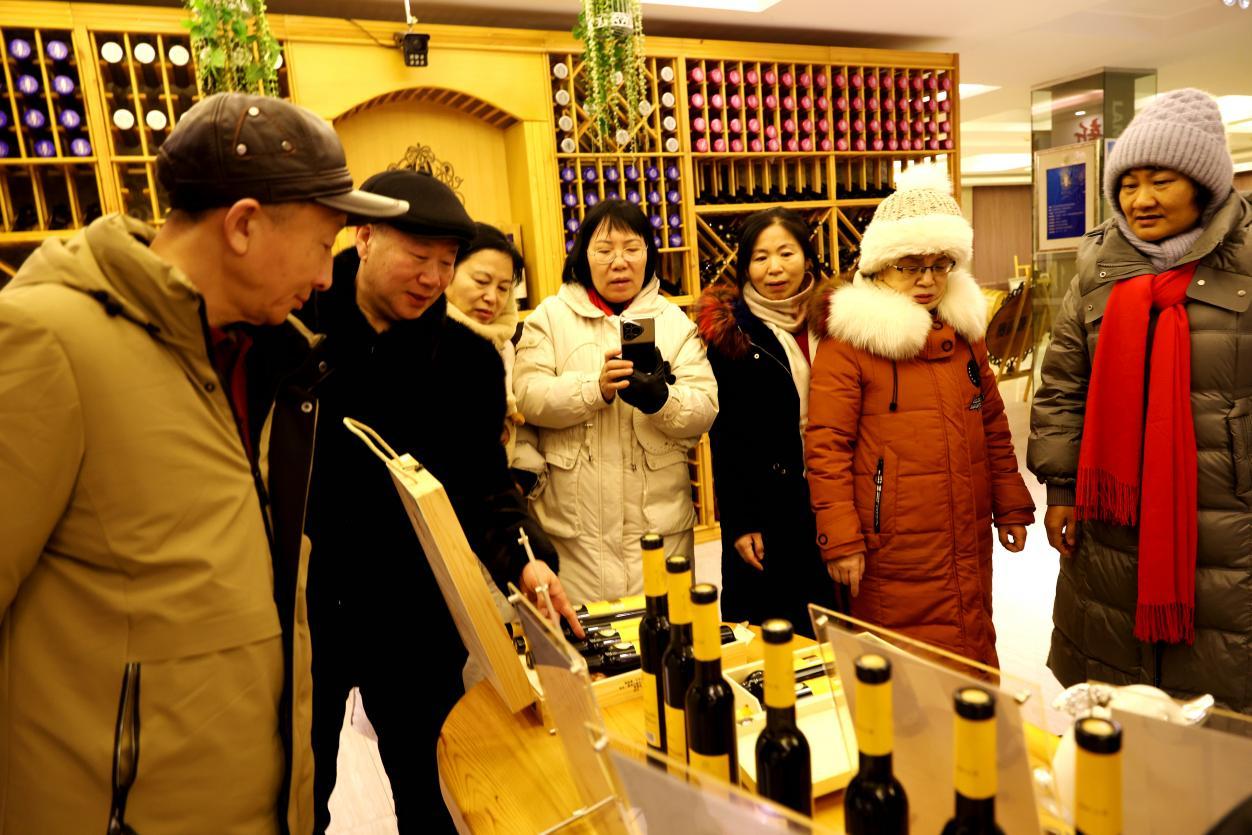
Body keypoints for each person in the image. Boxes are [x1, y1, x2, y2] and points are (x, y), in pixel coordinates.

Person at [0, 92, 407, 833]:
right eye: (323, 245)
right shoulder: (46, 340)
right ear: (244, 224)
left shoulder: (267, 357)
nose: (327, 278)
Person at [301, 169, 576, 834]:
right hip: (307, 602)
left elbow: (484, 485)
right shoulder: (296, 329)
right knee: (296, 789)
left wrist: (526, 561)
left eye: (446, 262)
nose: (432, 278)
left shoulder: (465, 361)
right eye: (417, 256)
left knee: (433, 792)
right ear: (365, 238)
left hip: (415, 609)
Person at [1029, 88, 1252, 713]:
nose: (1141, 199)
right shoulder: (1098, 266)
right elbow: (1063, 384)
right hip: (1112, 514)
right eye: (1128, 184)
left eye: (1161, 181)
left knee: (1218, 699)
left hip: (1226, 510)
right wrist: (1062, 488)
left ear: (1204, 185)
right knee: (1118, 688)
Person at [805, 162, 1034, 668]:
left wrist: (1011, 505)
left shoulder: (964, 335)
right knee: (902, 674)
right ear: (878, 266)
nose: (927, 280)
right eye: (910, 265)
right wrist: (840, 538)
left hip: (966, 531)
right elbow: (826, 447)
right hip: (890, 545)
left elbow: (993, 427)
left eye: (940, 264)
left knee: (971, 647)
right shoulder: (851, 343)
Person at [513, 199, 718, 605]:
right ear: (583, 256)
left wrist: (661, 399)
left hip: (658, 535)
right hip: (573, 537)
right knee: (581, 636)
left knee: (665, 630)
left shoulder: (675, 324)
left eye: (632, 248)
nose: (619, 262)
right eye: (604, 250)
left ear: (649, 254)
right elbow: (528, 396)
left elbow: (705, 408)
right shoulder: (549, 318)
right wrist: (596, 389)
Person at [695, 208, 839, 635]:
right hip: (769, 503)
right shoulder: (732, 335)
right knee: (772, 631)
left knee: (836, 629)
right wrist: (741, 521)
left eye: (786, 253)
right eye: (760, 257)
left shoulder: (839, 323)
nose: (774, 268)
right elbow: (727, 436)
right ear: (745, 266)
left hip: (834, 491)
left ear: (807, 258)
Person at [444, 222, 527, 463]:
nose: (492, 297)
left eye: (503, 288)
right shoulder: (423, 341)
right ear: (446, 271)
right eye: (481, 281)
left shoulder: (504, 346)